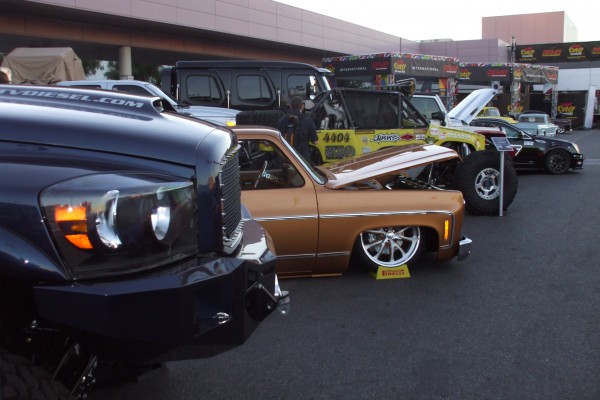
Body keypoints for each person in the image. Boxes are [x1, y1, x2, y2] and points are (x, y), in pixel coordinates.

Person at [277, 96, 318, 163]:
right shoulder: (308, 120)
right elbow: (315, 141)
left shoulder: (281, 120)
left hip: (286, 157)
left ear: (290, 106)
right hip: (302, 159)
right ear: (302, 106)